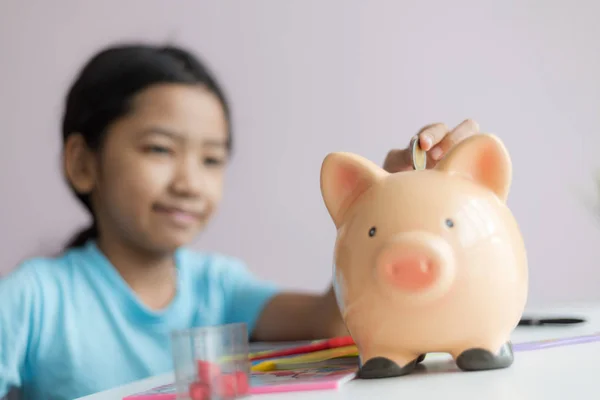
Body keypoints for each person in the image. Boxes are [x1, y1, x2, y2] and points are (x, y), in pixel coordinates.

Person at [0, 41, 480, 400]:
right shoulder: (32, 300)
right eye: (161, 149)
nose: (190, 182)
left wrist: (389, 203)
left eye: (211, 159)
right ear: (83, 162)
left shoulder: (219, 288)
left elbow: (333, 319)